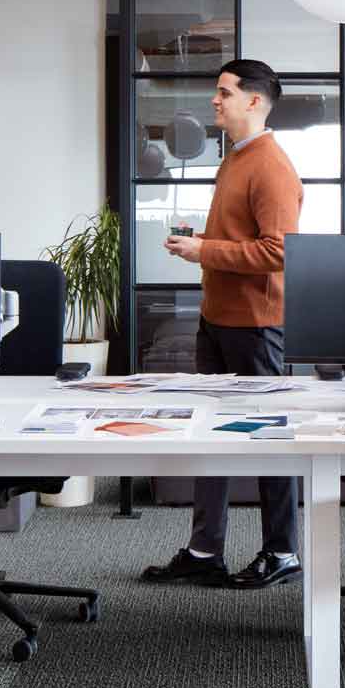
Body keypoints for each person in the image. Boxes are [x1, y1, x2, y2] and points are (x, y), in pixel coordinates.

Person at [143, 59, 304, 590]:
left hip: (256, 325)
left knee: (267, 439)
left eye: (225, 92)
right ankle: (204, 548)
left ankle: (282, 551)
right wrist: (201, 246)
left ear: (254, 101)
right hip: (217, 318)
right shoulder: (233, 159)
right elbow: (239, 236)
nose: (215, 100)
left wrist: (204, 250)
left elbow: (278, 253)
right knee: (208, 435)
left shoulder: (272, 166)